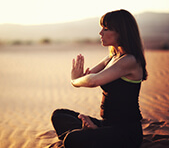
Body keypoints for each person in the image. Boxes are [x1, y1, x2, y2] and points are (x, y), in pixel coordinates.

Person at [51, 9, 148, 148]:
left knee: (71, 139)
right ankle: (95, 134)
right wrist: (80, 77)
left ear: (122, 32)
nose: (100, 33)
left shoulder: (130, 60)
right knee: (59, 116)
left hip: (126, 133)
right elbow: (88, 76)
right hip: (106, 126)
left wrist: (74, 81)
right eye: (101, 28)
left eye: (106, 29)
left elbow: (92, 81)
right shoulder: (112, 57)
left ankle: (92, 136)